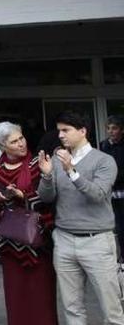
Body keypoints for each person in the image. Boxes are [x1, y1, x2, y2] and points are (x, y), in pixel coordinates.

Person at [38, 111, 124, 325]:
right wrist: (47, 175)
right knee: (72, 308)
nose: (61, 135)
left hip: (97, 241)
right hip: (64, 239)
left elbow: (98, 194)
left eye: (66, 130)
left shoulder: (104, 160)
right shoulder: (57, 161)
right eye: (59, 131)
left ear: (83, 131)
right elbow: (46, 197)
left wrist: (72, 171)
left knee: (111, 308)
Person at [0, 121, 56, 325]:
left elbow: (50, 199)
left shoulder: (38, 163)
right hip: (7, 240)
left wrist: (22, 195)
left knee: (41, 293)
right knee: (15, 292)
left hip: (37, 243)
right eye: (14, 141)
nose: (21, 143)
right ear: (2, 146)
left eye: (21, 138)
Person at [100, 115, 124, 261]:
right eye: (108, 128)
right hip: (110, 193)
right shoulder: (104, 145)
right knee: (115, 228)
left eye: (114, 128)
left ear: (122, 130)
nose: (111, 131)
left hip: (122, 189)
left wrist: (114, 175)